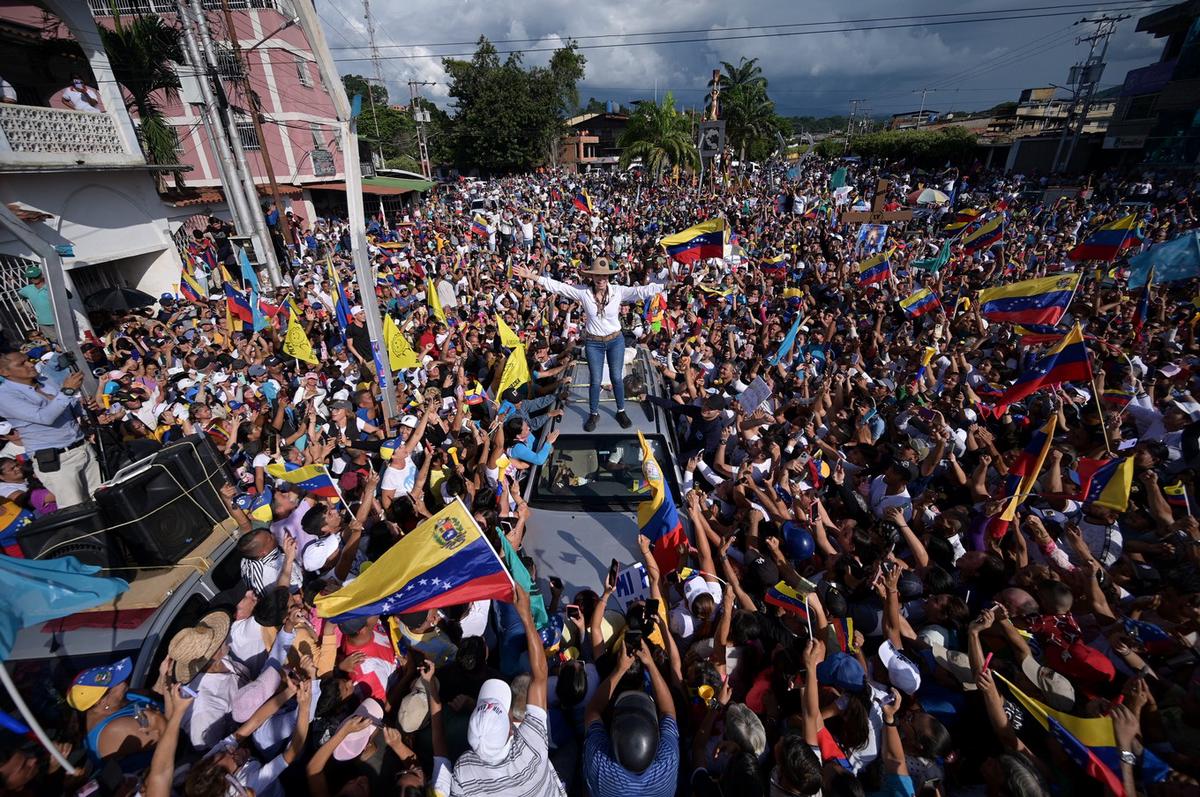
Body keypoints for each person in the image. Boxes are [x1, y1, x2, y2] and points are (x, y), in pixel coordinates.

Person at [514, 258, 664, 431]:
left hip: (615, 340)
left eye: (604, 276)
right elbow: (559, 287)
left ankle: (620, 410)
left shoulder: (618, 291)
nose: (601, 279)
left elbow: (641, 291)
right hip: (594, 343)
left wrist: (664, 285)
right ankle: (593, 414)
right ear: (591, 277)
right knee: (595, 380)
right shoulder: (584, 293)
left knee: (616, 377)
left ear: (608, 277)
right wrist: (532, 276)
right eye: (597, 276)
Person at [0, 352, 99, 508]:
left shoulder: (45, 381)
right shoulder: (4, 396)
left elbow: (67, 407)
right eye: (22, 364)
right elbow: (45, 417)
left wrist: (83, 405)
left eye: (28, 360)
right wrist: (67, 391)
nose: (30, 364)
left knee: (102, 498)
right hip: (57, 461)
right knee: (77, 510)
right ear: (4, 372)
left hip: (82, 448)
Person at [17, 266, 55, 342]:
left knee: (68, 341)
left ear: (41, 275)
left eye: (35, 276)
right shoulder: (27, 289)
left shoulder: (51, 286)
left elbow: (69, 296)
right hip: (43, 322)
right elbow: (17, 295)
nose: (33, 279)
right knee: (55, 343)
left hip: (59, 320)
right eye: (30, 277)